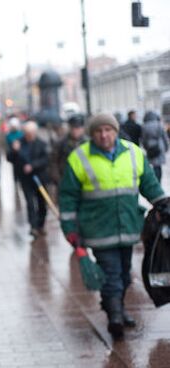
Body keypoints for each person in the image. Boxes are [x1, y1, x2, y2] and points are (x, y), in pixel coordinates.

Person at [59, 113, 166, 339]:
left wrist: (163, 204)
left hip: (128, 226)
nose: (104, 135)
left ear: (116, 132)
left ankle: (116, 307)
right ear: (92, 134)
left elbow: (149, 183)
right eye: (99, 131)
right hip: (98, 228)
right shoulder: (79, 157)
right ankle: (115, 317)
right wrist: (69, 228)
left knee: (125, 274)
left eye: (108, 130)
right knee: (112, 273)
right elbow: (68, 197)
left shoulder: (133, 152)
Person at [7, 121, 50, 238]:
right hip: (25, 179)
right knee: (30, 203)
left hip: (40, 178)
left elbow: (46, 160)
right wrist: (14, 150)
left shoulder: (41, 144)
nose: (28, 135)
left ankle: (41, 225)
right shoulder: (18, 143)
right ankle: (33, 227)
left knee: (42, 203)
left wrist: (33, 166)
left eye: (30, 133)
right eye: (26, 133)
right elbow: (9, 158)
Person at [50, 114, 87, 186]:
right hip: (66, 178)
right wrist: (58, 179)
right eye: (73, 128)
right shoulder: (61, 143)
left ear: (82, 129)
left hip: (85, 179)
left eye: (78, 128)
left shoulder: (88, 143)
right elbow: (53, 162)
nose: (75, 131)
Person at [141, 111, 169, 182]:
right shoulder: (159, 125)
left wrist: (146, 147)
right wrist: (166, 147)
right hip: (159, 146)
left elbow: (143, 139)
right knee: (158, 166)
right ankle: (158, 180)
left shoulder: (144, 126)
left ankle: (155, 180)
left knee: (153, 166)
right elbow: (164, 137)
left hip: (150, 147)